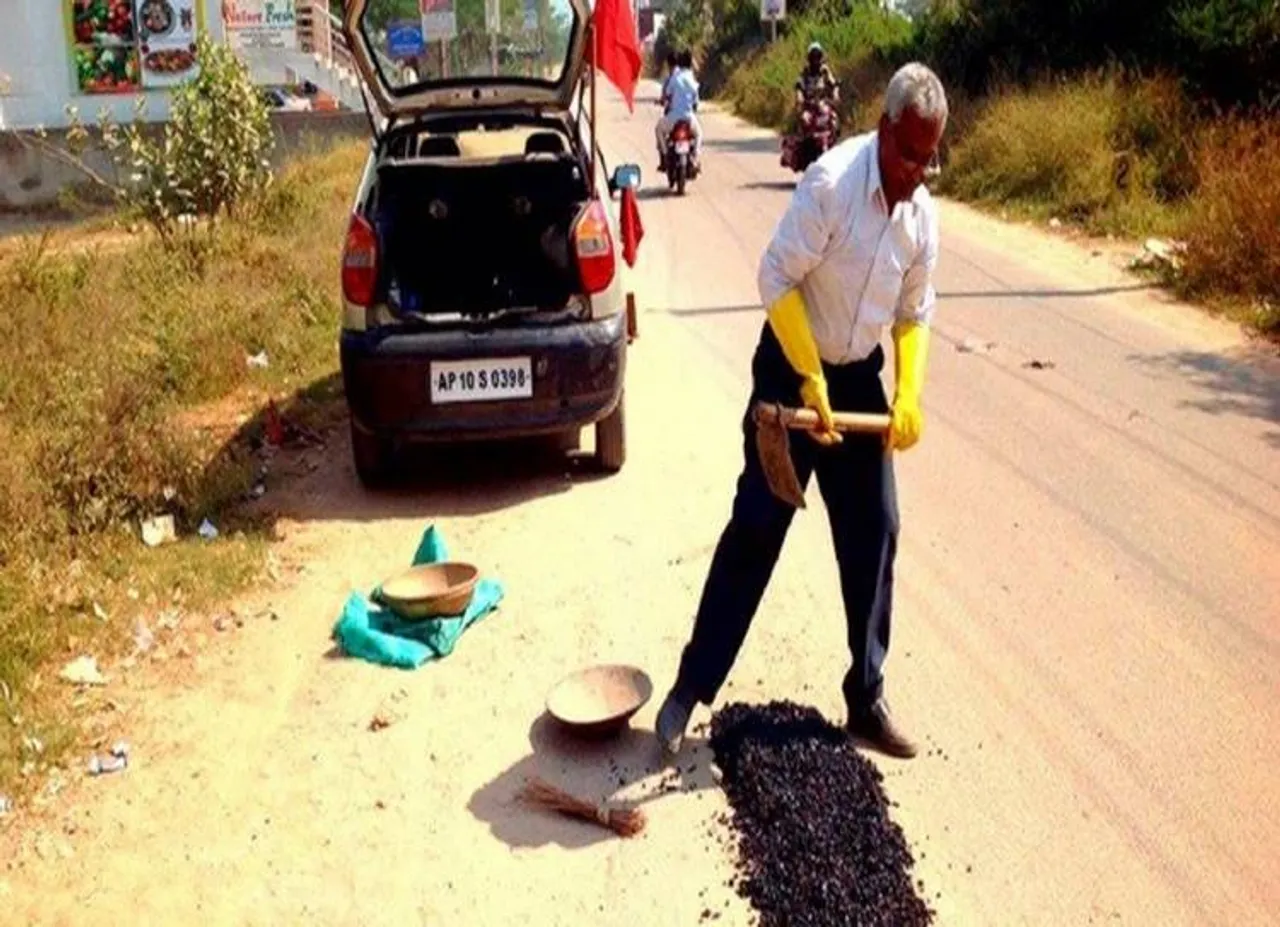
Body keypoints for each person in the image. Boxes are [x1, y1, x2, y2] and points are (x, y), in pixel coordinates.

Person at [654, 62, 949, 760]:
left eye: (928, 156)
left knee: (877, 528)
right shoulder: (832, 187)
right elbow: (774, 275)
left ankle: (866, 694)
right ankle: (690, 687)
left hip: (855, 380)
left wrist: (908, 392)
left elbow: (914, 313)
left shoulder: (922, 218)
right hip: (791, 371)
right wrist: (808, 376)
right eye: (908, 153)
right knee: (756, 525)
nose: (916, 170)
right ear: (883, 131)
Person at [655, 50, 703, 173]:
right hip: (688, 118)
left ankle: (665, 156)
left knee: (659, 129)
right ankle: (695, 159)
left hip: (673, 117)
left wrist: (662, 100)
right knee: (698, 134)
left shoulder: (674, 78)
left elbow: (667, 95)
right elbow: (695, 100)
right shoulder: (692, 79)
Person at [795, 42, 839, 113]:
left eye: (817, 56)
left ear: (820, 57)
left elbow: (833, 83)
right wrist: (799, 96)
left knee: (832, 117)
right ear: (809, 58)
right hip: (809, 106)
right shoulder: (805, 72)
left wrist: (836, 92)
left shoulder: (825, 70)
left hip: (823, 103)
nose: (815, 60)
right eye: (813, 57)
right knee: (805, 119)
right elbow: (799, 86)